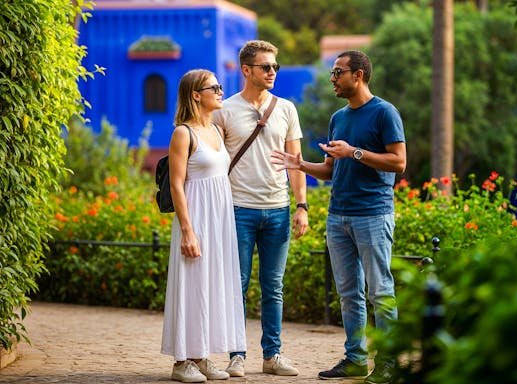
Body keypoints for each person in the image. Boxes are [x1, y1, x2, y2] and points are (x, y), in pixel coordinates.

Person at [271, 50, 406, 384]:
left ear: (357, 75)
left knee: (380, 291)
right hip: (338, 216)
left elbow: (399, 162)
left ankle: (388, 362)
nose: (332, 78)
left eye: (337, 72)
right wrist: (300, 165)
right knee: (349, 294)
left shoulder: (384, 112)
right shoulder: (338, 118)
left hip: (373, 214)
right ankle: (356, 359)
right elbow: (331, 169)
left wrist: (355, 152)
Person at [212, 40, 308, 377]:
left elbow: (295, 163)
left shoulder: (286, 109)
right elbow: (212, 162)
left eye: (275, 67)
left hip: (279, 209)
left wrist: (301, 206)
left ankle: (273, 355)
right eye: (265, 67)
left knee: (274, 286)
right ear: (247, 70)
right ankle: (237, 355)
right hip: (238, 209)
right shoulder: (223, 110)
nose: (272, 72)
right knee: (236, 285)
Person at [161, 69, 246, 383]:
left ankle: (201, 355)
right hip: (196, 216)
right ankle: (182, 361)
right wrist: (187, 230)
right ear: (196, 94)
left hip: (219, 219)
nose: (221, 91)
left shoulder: (215, 130)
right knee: (192, 284)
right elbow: (177, 185)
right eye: (215, 87)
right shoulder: (183, 133)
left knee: (211, 285)